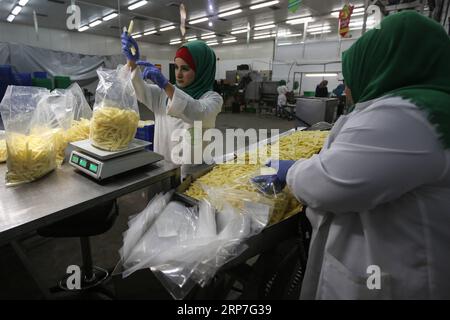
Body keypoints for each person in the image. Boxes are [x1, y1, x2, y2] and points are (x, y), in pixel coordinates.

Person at [255, 11, 450, 299]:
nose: (346, 90)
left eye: (351, 79)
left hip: (394, 273)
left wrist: (292, 171)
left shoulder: (407, 113)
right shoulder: (427, 107)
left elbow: (330, 184)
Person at [121, 33, 223, 167]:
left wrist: (166, 85)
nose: (178, 74)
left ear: (202, 70)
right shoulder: (164, 94)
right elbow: (139, 90)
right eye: (176, 67)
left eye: (185, 68)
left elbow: (197, 113)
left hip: (192, 173)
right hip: (163, 169)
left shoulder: (213, 98)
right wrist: (132, 63)